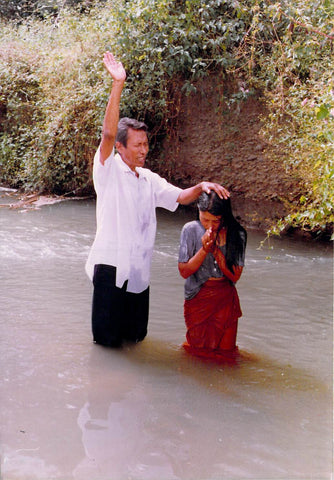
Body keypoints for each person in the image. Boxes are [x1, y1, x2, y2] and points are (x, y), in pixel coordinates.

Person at [85, 52, 230, 347]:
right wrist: (118, 85)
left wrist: (202, 186)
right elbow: (108, 133)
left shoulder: (149, 179)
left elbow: (180, 196)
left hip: (138, 271)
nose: (143, 150)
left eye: (146, 144)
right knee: (107, 344)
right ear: (121, 149)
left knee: (136, 339)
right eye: (137, 145)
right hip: (111, 267)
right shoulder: (108, 170)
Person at [178, 191, 247, 359]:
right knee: (198, 353)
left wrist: (215, 250)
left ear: (224, 216)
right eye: (204, 219)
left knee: (226, 353)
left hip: (225, 297)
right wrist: (204, 250)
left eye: (216, 221)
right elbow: (184, 271)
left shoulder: (237, 234)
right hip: (198, 296)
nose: (210, 225)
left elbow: (235, 276)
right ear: (198, 212)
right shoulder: (190, 230)